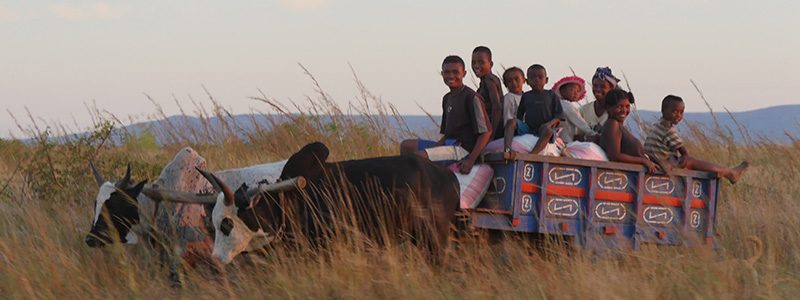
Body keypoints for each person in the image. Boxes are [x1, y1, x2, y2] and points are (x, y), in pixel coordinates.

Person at [399, 55, 492, 174]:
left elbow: (486, 132)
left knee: (418, 157)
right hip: (448, 144)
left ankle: (419, 189)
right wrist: (434, 148)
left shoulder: (471, 97)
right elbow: (448, 134)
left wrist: (471, 159)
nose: (451, 76)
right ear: (442, 74)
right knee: (406, 146)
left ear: (464, 74)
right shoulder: (447, 98)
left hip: (462, 149)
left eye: (455, 72)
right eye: (447, 72)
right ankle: (406, 183)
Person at [644, 95, 749, 183]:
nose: (678, 116)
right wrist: (685, 156)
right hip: (664, 162)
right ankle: (729, 173)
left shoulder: (657, 124)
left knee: (687, 161)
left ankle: (728, 172)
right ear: (663, 111)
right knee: (691, 162)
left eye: (681, 112)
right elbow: (682, 149)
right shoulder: (667, 129)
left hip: (655, 160)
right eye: (674, 112)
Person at [505, 64, 562, 154]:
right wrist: (517, 126)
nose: (536, 80)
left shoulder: (551, 95)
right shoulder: (526, 96)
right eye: (532, 78)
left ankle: (533, 154)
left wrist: (549, 124)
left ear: (546, 80)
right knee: (511, 122)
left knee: (549, 131)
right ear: (527, 81)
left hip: (544, 128)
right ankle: (507, 150)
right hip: (529, 128)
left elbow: (559, 116)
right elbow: (520, 116)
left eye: (540, 77)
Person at [598, 89, 659, 173]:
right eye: (619, 107)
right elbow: (614, 155)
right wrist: (643, 161)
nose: (624, 110)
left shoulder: (619, 126)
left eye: (627, 106)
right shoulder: (613, 124)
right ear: (608, 107)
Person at [471, 46, 504, 140]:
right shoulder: (485, 81)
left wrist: (491, 135)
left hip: (494, 129)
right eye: (473, 62)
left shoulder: (490, 80)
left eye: (481, 62)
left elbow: (497, 107)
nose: (476, 66)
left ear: (491, 64)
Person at [552, 75, 597, 143]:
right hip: (565, 140)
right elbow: (579, 122)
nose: (575, 93)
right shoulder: (567, 106)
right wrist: (592, 133)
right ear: (562, 91)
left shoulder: (557, 104)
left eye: (578, 91)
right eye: (571, 90)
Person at [580, 67, 620, 133]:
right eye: (595, 86)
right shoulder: (583, 110)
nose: (598, 89)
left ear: (611, 89)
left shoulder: (615, 112)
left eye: (602, 86)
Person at [500, 67, 527, 150]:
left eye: (516, 79)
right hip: (517, 128)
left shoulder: (528, 97)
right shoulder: (509, 97)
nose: (514, 83)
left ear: (524, 80)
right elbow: (508, 119)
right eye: (509, 81)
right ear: (505, 84)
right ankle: (507, 149)